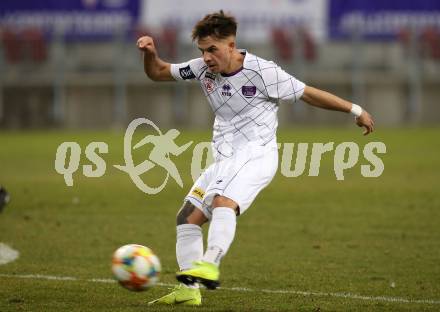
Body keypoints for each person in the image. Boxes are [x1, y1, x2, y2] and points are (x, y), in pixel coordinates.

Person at [137, 10, 374, 306]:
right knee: (187, 218)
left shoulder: (262, 71)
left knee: (223, 201)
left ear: (231, 45)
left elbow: (308, 93)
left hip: (256, 154)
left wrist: (355, 110)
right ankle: (189, 289)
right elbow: (158, 72)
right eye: (202, 51)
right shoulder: (201, 69)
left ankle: (210, 263)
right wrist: (150, 52)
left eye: (213, 49)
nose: (207, 57)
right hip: (225, 159)